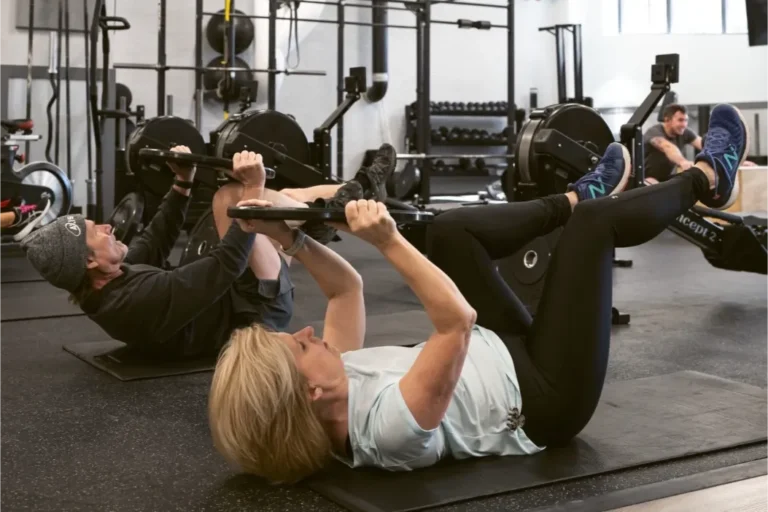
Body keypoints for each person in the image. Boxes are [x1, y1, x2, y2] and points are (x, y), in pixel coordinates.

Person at [207, 104, 749, 483]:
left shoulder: (333, 383)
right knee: (594, 232)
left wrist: (292, 238)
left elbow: (345, 290)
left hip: (498, 350)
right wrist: (388, 239)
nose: (305, 332)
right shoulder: (389, 431)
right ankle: (708, 176)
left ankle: (575, 197)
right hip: (545, 398)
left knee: (449, 232)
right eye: (299, 347)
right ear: (310, 395)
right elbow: (454, 322)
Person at [20, 143, 397, 359]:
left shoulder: (108, 282)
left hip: (228, 297)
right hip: (256, 314)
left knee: (283, 200)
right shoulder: (134, 302)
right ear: (89, 261)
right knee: (232, 198)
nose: (105, 226)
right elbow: (227, 264)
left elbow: (155, 238)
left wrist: (182, 183)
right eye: (94, 232)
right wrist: (251, 189)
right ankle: (319, 215)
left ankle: (358, 190)